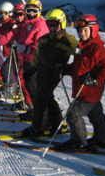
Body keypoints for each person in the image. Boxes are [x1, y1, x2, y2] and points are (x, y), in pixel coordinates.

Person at [57, 14, 105, 150]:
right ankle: (103, 138)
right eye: (80, 31)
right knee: (96, 114)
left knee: (73, 113)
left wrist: (95, 80)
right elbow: (78, 68)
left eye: (85, 31)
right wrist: (66, 69)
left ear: (93, 31)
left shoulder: (97, 49)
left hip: (90, 91)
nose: (82, 33)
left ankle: (78, 141)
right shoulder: (82, 48)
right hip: (84, 90)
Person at [21, 9, 79, 137]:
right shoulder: (44, 39)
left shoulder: (68, 40)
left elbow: (81, 52)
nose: (52, 27)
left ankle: (38, 128)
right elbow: (36, 57)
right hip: (42, 71)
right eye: (49, 24)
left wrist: (76, 68)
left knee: (40, 98)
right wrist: (31, 70)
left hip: (55, 72)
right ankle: (56, 124)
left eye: (54, 24)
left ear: (62, 23)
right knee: (48, 98)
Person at [0, 0, 49, 113]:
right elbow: (12, 34)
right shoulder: (26, 24)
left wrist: (26, 49)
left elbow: (40, 47)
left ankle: (36, 109)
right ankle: (31, 106)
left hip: (35, 62)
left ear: (39, 11)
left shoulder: (40, 25)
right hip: (26, 59)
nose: (30, 13)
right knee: (28, 84)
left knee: (33, 86)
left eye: (34, 11)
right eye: (28, 10)